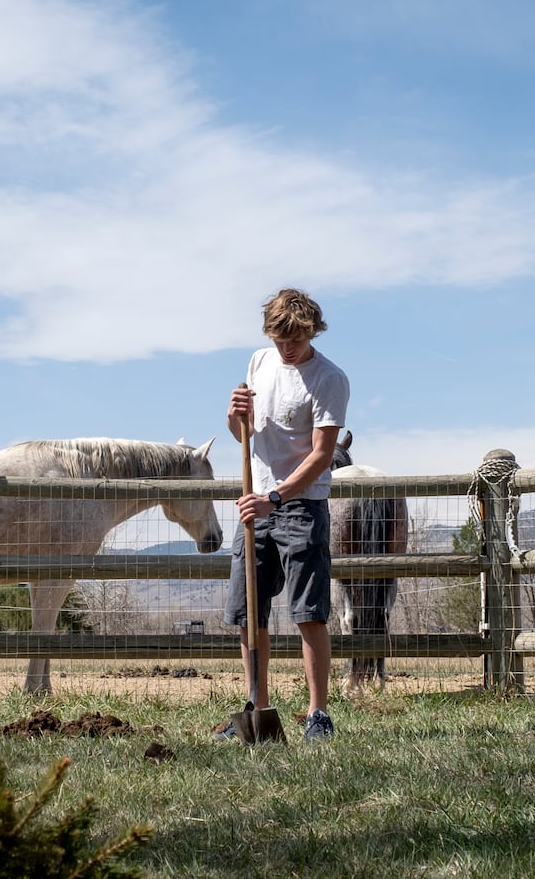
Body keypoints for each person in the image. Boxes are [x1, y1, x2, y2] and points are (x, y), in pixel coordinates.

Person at [220, 288, 350, 742]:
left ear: (312, 331)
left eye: (294, 339)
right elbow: (244, 435)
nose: (286, 348)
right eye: (278, 340)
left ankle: (318, 715)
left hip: (300, 506)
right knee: (247, 613)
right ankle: (256, 705)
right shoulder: (259, 363)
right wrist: (236, 416)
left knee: (308, 613)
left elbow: (321, 455)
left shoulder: (329, 379)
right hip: (254, 505)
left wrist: (275, 497)